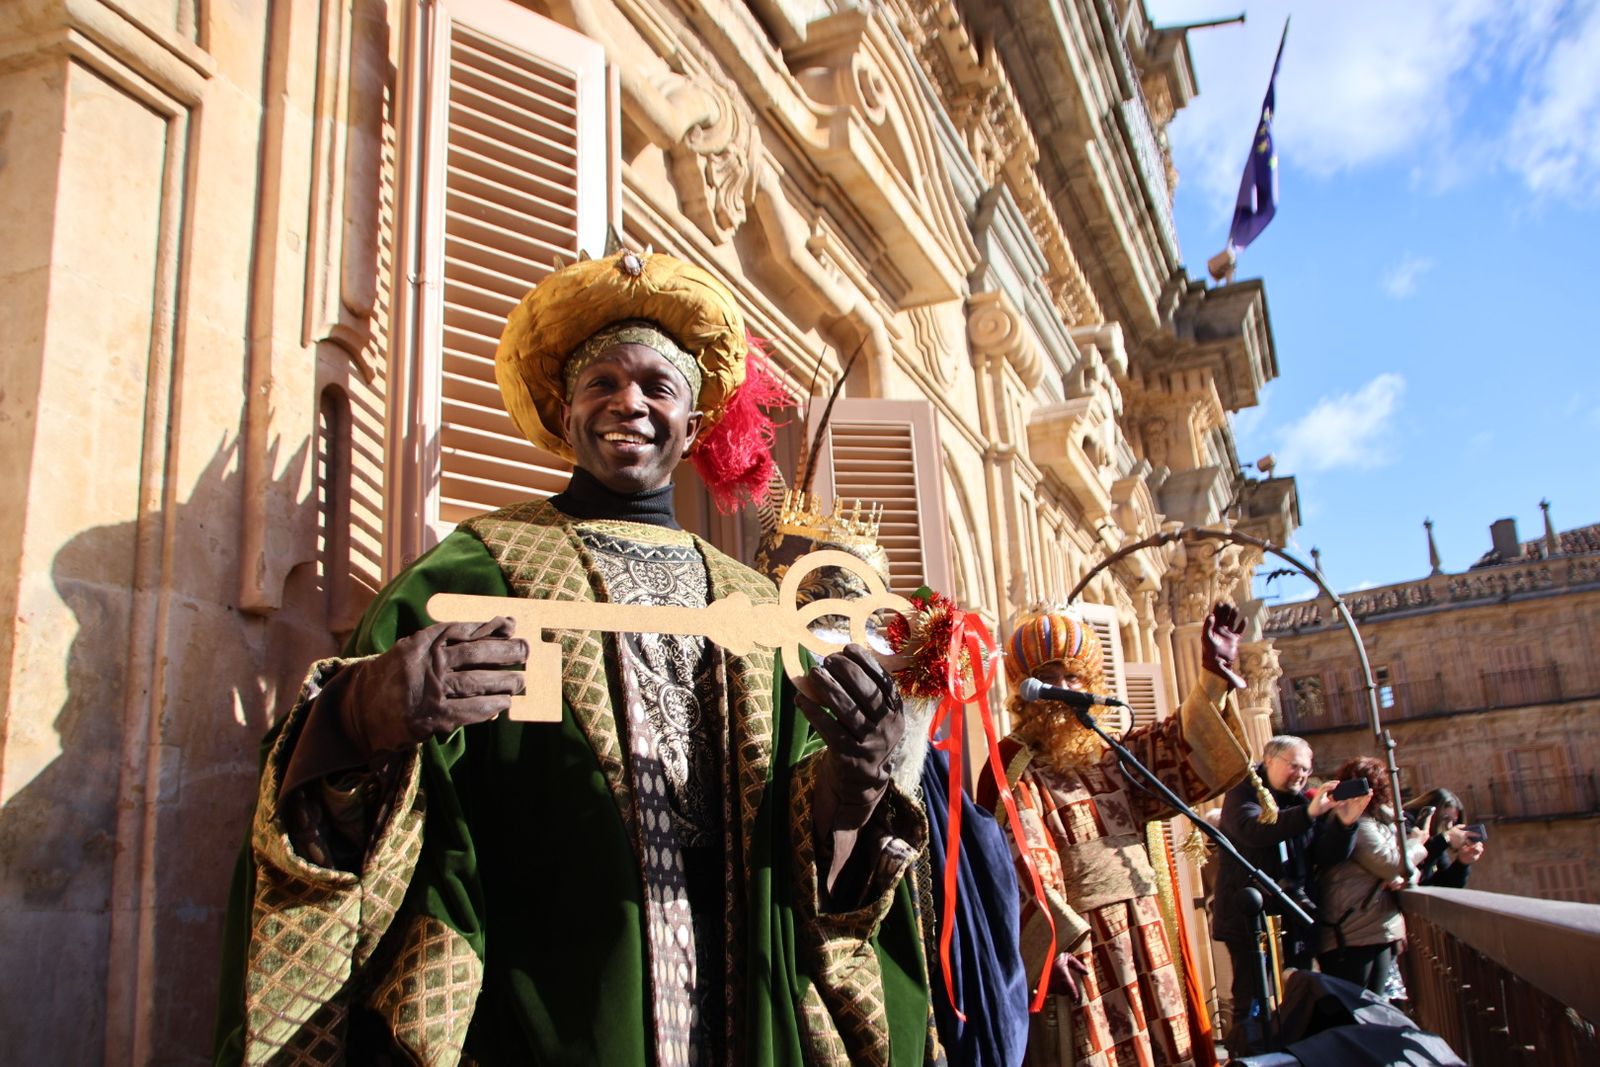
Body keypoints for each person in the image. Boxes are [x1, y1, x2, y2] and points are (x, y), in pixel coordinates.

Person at [212, 249, 937, 1065]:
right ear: (565, 416)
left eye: (657, 386)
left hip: (742, 1000)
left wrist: (862, 775)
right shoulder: (471, 571)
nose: (629, 401)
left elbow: (813, 854)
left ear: (692, 427)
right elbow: (341, 782)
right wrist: (368, 709)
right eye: (602, 383)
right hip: (543, 995)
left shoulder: (762, 612)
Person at [978, 602, 1260, 1067]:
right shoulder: (1014, 762)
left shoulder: (1111, 752)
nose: (1065, 691)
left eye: (1075, 679)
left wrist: (1213, 675)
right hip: (1083, 941)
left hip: (1146, 925)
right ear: (1025, 692)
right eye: (1050, 678)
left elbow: (1180, 748)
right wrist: (1046, 945)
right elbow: (1016, 860)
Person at [1210, 735, 1370, 1051]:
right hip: (1250, 921)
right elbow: (1255, 831)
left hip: (1293, 918)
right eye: (1294, 766)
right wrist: (1309, 813)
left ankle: (1293, 1053)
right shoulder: (1243, 791)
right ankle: (1250, 1054)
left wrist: (1345, 825)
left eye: (1306, 770)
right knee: (1253, 994)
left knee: (1297, 994)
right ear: (1269, 759)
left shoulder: (1300, 802)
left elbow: (1324, 855)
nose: (1300, 775)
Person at [1314, 756, 1429, 997]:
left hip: (1367, 926)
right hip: (1354, 931)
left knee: (1374, 1006)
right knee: (1362, 1008)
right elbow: (1392, 863)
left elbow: (1397, 867)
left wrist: (1408, 873)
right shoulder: (1358, 822)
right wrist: (1418, 844)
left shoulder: (1380, 821)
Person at [1404, 787, 1487, 888]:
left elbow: (1447, 885)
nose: (1449, 826)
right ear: (1431, 812)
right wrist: (1445, 838)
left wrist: (1462, 862)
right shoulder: (1405, 822)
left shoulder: (1437, 839)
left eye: (1453, 822)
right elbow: (1407, 860)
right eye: (1446, 819)